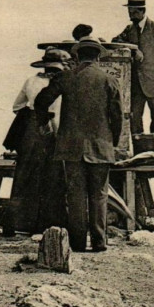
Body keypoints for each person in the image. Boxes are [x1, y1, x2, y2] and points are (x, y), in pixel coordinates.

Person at [35, 36, 122, 252]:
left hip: (70, 146)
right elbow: (117, 116)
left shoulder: (66, 77)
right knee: (99, 194)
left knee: (75, 195)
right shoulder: (109, 80)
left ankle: (77, 243)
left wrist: (44, 121)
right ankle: (100, 242)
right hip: (101, 146)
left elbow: (40, 101)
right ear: (98, 56)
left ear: (77, 55)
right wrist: (114, 142)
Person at [3, 47, 70, 235]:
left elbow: (17, 107)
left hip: (31, 132)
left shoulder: (32, 81)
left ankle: (18, 223)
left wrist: (32, 116)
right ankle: (49, 224)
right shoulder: (64, 83)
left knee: (25, 176)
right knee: (54, 177)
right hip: (56, 132)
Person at [112, 0, 154, 142]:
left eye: (133, 12)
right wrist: (133, 49)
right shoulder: (129, 29)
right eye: (129, 12)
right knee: (134, 120)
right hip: (136, 85)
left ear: (142, 11)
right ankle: (139, 153)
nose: (130, 15)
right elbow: (115, 41)